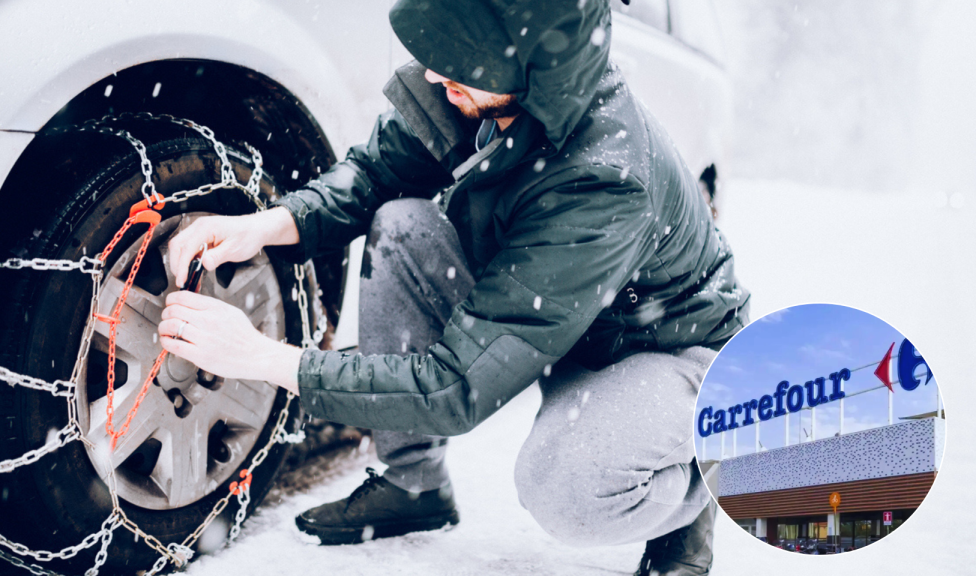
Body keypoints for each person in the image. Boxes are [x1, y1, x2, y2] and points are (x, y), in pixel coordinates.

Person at [158, 1, 749, 573]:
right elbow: (375, 173)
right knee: (402, 224)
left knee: (564, 487)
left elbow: (456, 384)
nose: (436, 72)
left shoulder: (603, 180)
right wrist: (266, 225)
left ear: (528, 61)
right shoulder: (484, 87)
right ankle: (412, 484)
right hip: (574, 322)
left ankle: (702, 475)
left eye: (460, 60)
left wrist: (260, 358)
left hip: (668, 349)